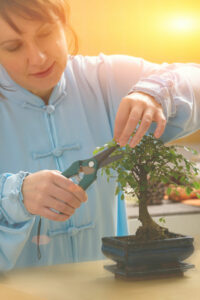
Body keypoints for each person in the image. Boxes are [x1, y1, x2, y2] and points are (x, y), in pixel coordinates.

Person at [0, 0, 199, 271]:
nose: (38, 58)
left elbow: (193, 78)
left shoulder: (106, 77)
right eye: (13, 47)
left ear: (64, 27)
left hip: (107, 290)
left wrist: (153, 91)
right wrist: (14, 195)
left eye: (45, 33)